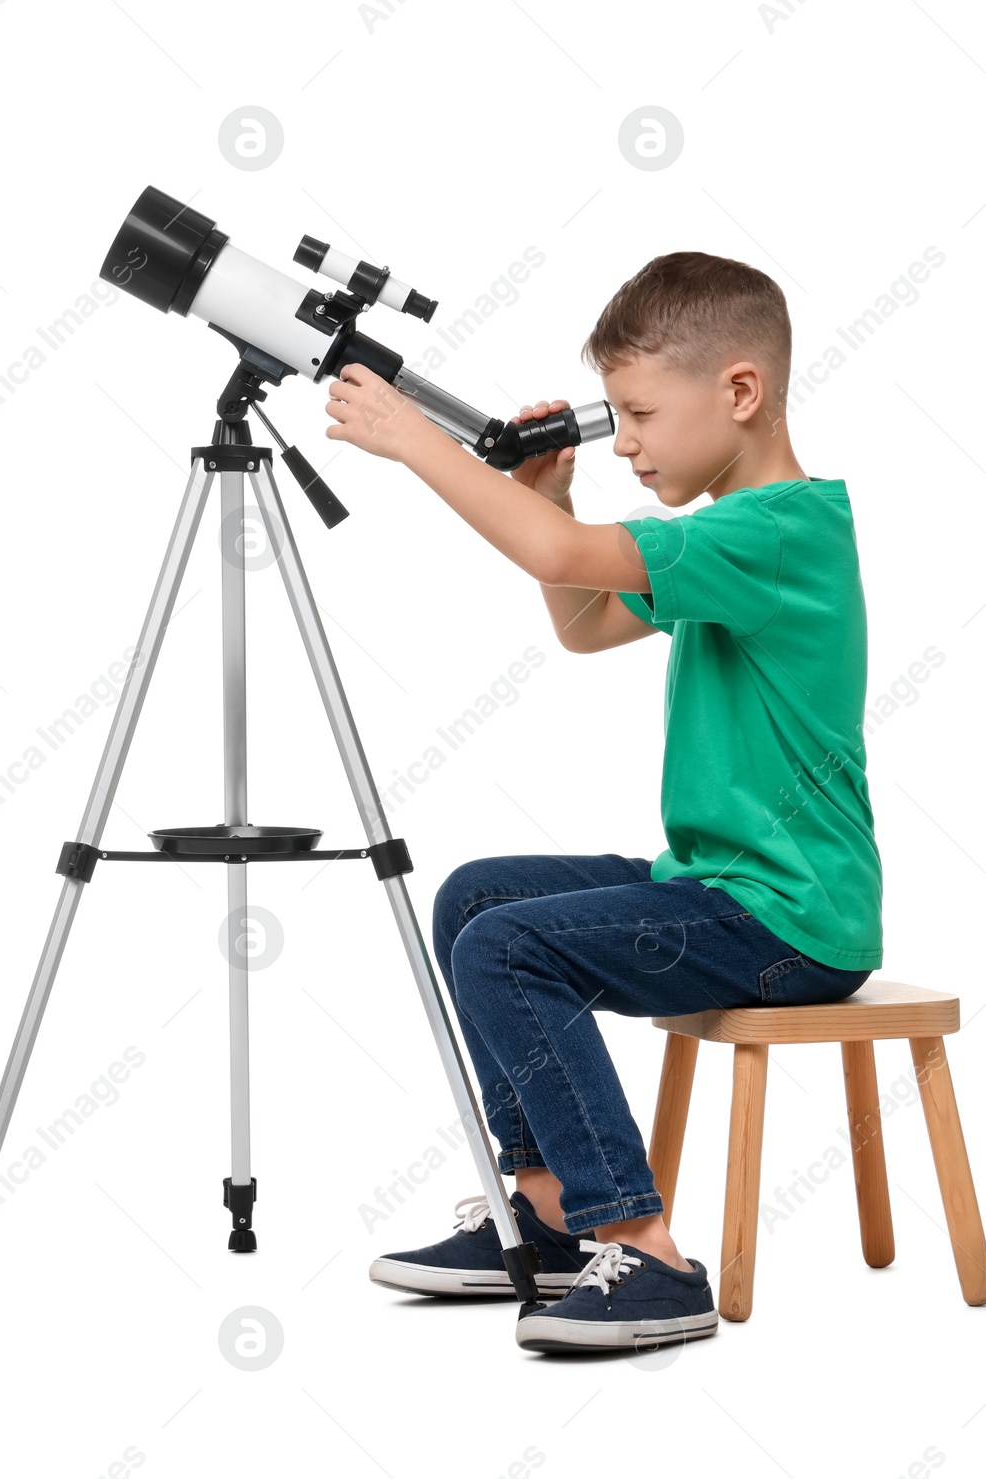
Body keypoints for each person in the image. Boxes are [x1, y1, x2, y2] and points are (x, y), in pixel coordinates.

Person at [322, 252, 883, 1353]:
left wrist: (416, 441)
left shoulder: (775, 531)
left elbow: (567, 556)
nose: (621, 439)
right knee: (476, 900)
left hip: (791, 923)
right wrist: (555, 496)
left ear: (738, 392)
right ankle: (541, 1215)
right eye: (614, 415)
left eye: (638, 413)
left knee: (507, 952)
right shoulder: (730, 538)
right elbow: (583, 620)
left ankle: (649, 1254)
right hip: (719, 889)